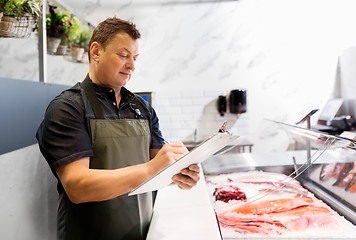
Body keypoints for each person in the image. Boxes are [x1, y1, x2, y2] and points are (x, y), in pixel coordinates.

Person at [36, 17, 200, 240]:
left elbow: (160, 165)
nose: (131, 66)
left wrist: (180, 173)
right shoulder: (68, 108)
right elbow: (77, 186)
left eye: (135, 58)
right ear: (96, 52)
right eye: (123, 55)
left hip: (142, 232)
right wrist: (152, 168)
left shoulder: (141, 107)